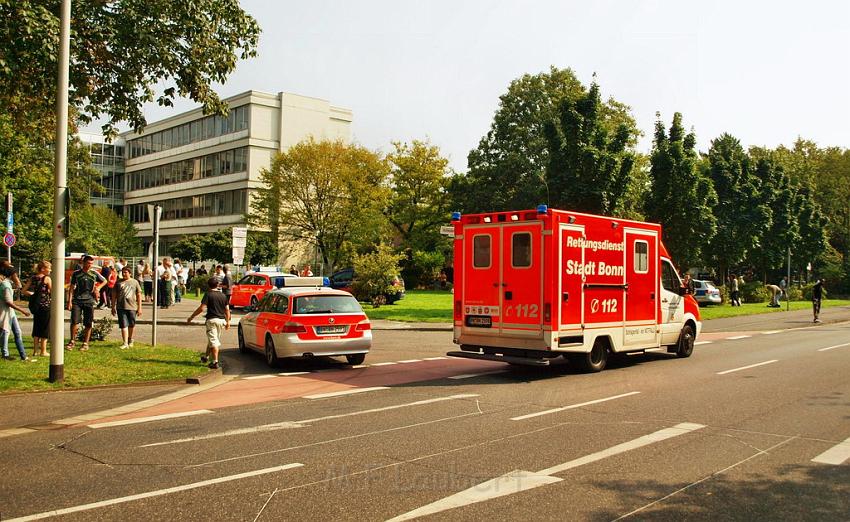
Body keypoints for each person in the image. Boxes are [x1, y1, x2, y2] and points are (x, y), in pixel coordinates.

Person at [187, 278, 230, 369]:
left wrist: (192, 317)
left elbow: (202, 308)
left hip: (212, 320)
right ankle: (206, 357)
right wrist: (228, 322)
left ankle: (215, 362)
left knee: (213, 341)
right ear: (217, 285)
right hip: (221, 321)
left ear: (208, 285)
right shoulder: (223, 295)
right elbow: (227, 310)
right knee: (212, 339)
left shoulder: (208, 294)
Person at [67, 254, 107, 351]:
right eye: (88, 263)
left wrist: (98, 288)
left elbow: (105, 281)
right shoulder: (76, 273)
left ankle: (86, 343)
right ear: (83, 263)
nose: (90, 265)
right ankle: (72, 341)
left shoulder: (94, 273)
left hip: (89, 300)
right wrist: (69, 301)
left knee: (88, 322)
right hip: (77, 300)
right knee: (75, 321)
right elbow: (71, 288)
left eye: (91, 263)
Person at [1, 265, 32, 361]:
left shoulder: (7, 284)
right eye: (16, 275)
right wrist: (23, 310)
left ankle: (23, 355)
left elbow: (18, 286)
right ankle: (5, 354)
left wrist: (18, 284)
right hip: (5, 311)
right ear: (12, 275)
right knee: (5, 332)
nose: (17, 277)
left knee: (17, 332)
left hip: (10, 312)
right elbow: (8, 302)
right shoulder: (6, 286)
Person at [21, 260, 52, 357]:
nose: (50, 270)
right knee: (45, 328)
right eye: (49, 268)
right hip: (45, 306)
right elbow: (52, 292)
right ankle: (43, 351)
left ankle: (35, 351)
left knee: (36, 328)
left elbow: (23, 291)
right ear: (43, 269)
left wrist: (32, 294)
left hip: (36, 306)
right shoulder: (47, 279)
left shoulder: (32, 278)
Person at [112, 266, 142, 349]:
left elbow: (139, 295)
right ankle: (125, 343)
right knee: (123, 325)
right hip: (121, 307)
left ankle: (130, 339)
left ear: (130, 273)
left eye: (126, 272)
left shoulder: (135, 282)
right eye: (123, 272)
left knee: (131, 325)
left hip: (132, 307)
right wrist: (113, 306)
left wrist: (139, 307)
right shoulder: (118, 282)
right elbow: (114, 295)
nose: (124, 274)